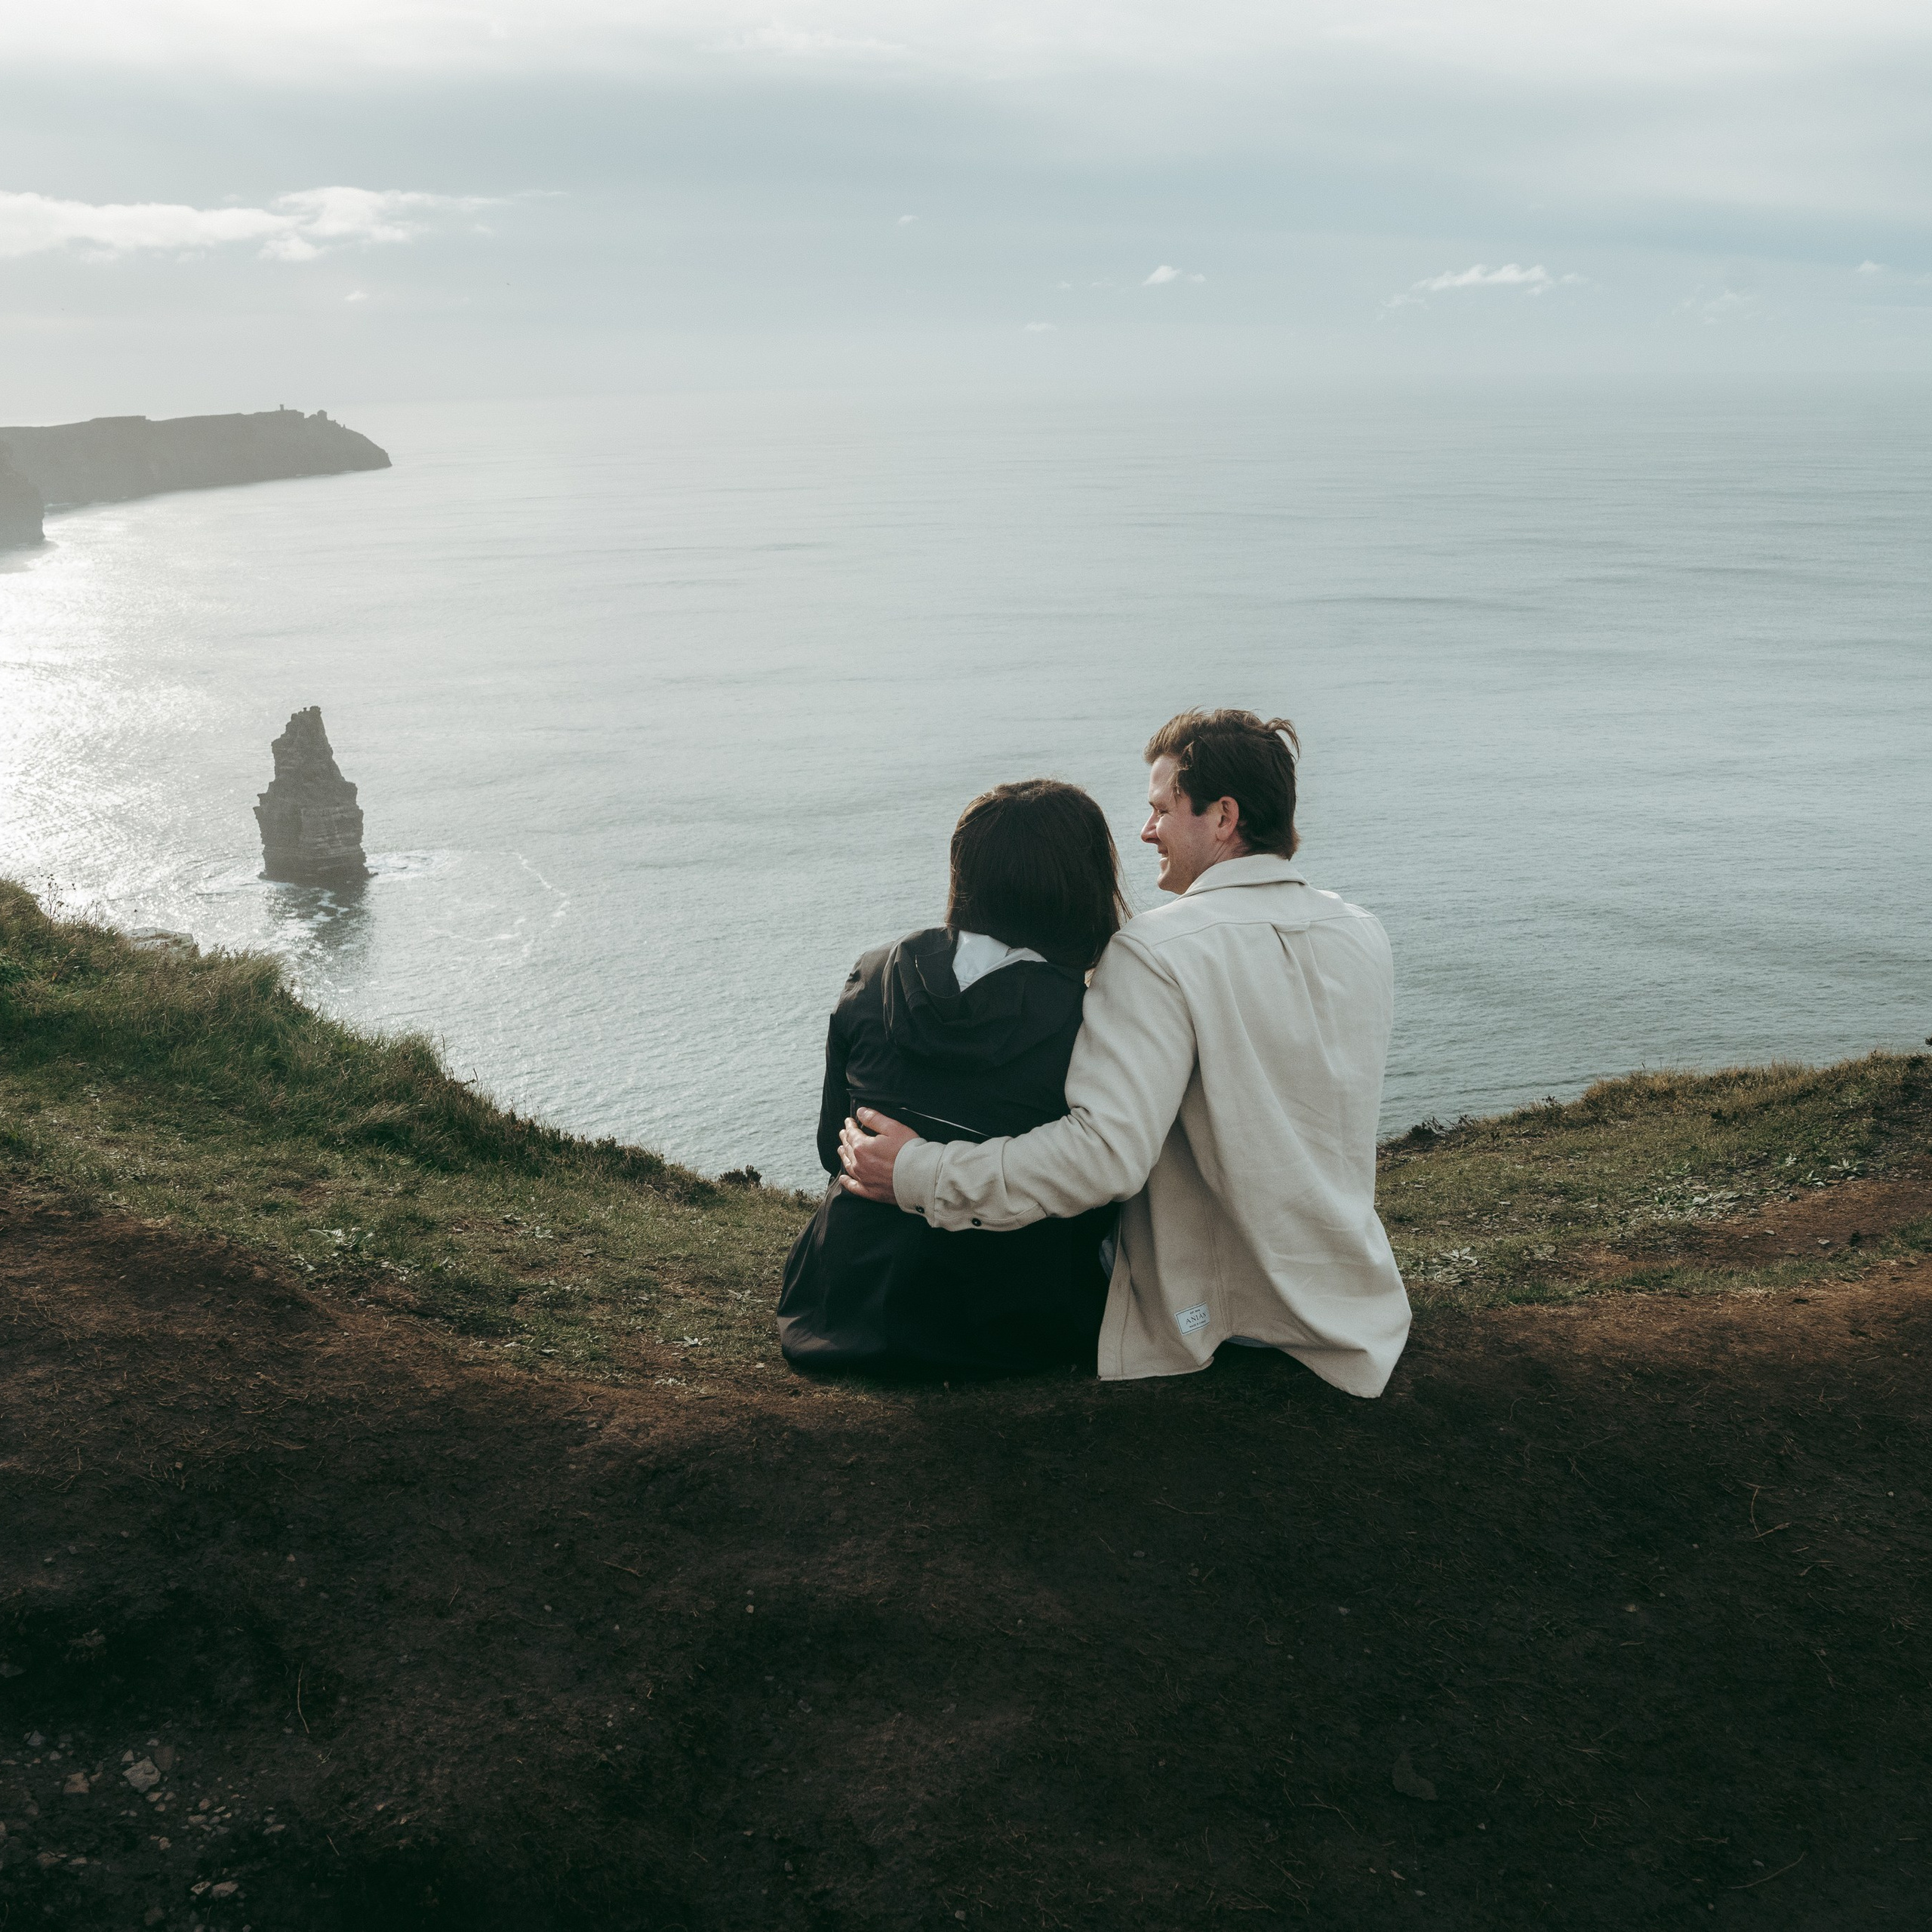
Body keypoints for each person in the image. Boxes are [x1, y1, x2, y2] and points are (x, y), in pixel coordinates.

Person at [838, 709, 1411, 1395]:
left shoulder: (1154, 950)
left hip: (1213, 1310)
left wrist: (919, 1172)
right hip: (1347, 1296)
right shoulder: (1361, 930)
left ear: (1223, 817)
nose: (1145, 832)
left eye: (1162, 810)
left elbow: (1102, 1158)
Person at [777, 779, 1128, 1374]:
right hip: (1014, 1322)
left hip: (844, 1307)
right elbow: (1101, 1188)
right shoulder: (1091, 1017)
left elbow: (830, 1149)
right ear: (1084, 883)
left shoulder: (873, 973)